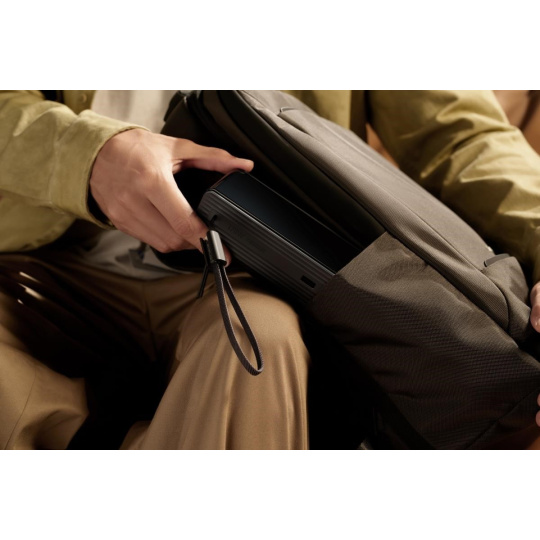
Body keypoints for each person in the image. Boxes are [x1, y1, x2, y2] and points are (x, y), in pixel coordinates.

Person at [1, 90, 539, 449]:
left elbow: (462, 138)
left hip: (255, 268)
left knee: (259, 344)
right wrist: (86, 155)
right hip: (43, 255)